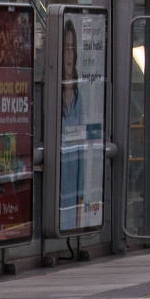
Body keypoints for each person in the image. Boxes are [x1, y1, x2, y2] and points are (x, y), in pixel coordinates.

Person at [59, 18, 84, 225]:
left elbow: (82, 150)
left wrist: (81, 196)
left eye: (72, 47)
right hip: (57, 189)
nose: (69, 54)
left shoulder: (78, 97)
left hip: (73, 190)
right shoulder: (52, 95)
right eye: (66, 48)